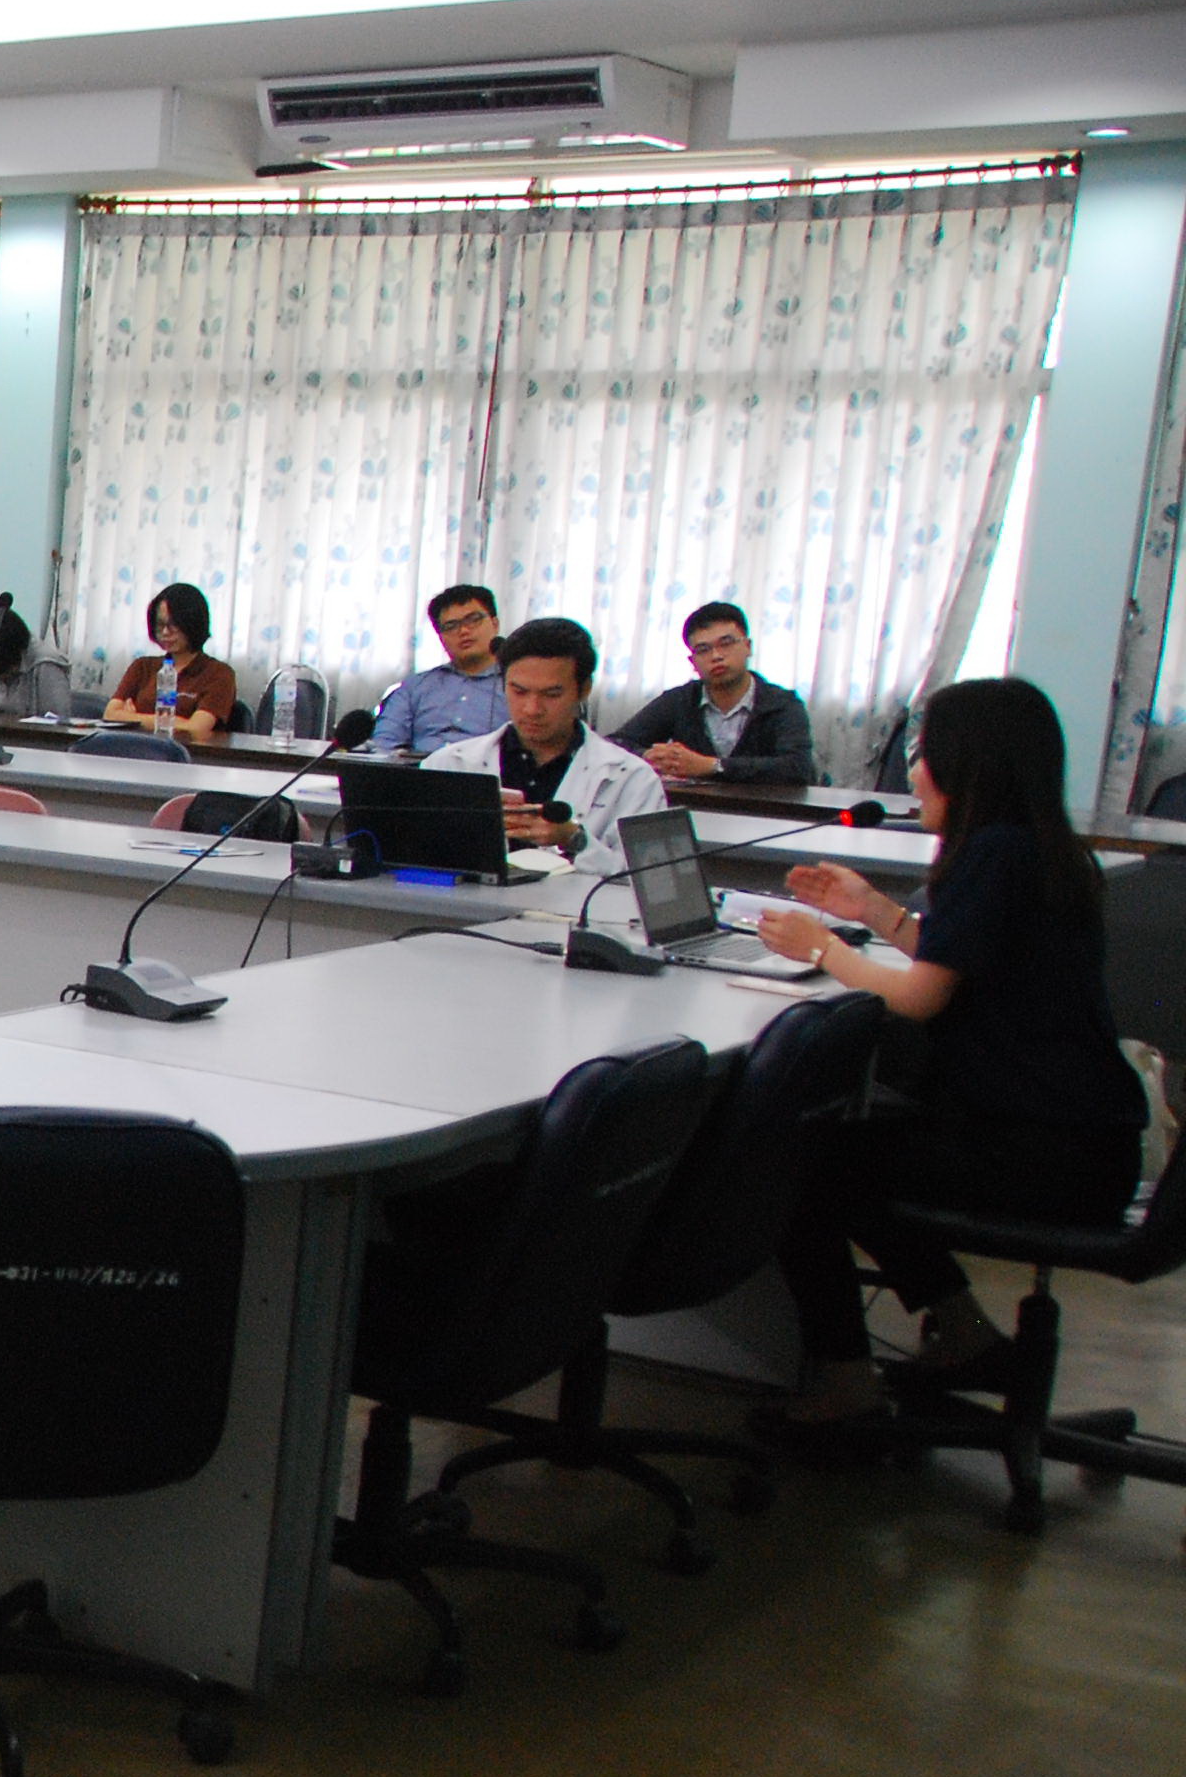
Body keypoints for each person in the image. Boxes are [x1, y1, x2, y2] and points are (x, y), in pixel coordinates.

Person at [762, 679, 1148, 1421]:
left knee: (802, 1160)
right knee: (854, 1143)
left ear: (968, 765)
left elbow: (919, 997)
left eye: (924, 755)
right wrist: (872, 910)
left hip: (1040, 1153)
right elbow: (962, 961)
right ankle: (963, 1334)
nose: (914, 773)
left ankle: (847, 1385)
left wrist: (822, 947)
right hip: (1087, 1146)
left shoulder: (993, 853)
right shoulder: (1041, 849)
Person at [422, 615, 668, 873]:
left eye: (551, 694)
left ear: (584, 689)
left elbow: (650, 877)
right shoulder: (448, 764)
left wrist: (574, 840)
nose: (532, 709)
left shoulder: (632, 778)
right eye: (519, 692)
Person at [615, 601, 819, 787]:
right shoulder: (679, 700)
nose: (716, 656)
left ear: (748, 647)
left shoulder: (782, 704)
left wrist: (713, 766)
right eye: (703, 649)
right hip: (698, 808)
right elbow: (616, 744)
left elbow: (798, 768)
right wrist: (650, 756)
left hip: (764, 811)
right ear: (692, 662)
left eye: (726, 643)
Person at [367, 585, 509, 758]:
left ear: (495, 624)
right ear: (440, 637)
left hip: (487, 771)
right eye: (451, 626)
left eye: (473, 620)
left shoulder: (516, 686)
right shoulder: (415, 687)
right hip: (421, 770)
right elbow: (384, 744)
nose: (464, 631)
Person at [108, 584, 241, 744]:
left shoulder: (219, 673)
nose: (165, 632)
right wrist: (175, 721)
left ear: (192, 624)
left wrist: (132, 718)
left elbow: (196, 729)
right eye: (160, 625)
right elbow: (110, 715)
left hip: (189, 755)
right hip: (137, 750)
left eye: (173, 625)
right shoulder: (142, 666)